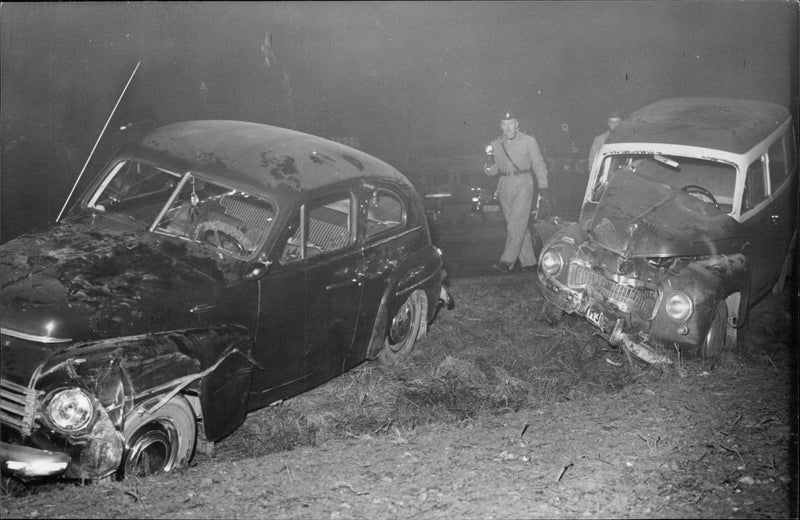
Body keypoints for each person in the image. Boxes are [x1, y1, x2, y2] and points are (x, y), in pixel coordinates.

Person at [484, 111, 550, 273]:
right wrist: (488, 161)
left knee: (515, 224)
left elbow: (538, 164)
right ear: (501, 126)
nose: (508, 128)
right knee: (516, 225)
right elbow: (491, 172)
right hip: (504, 184)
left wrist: (543, 186)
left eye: (511, 124)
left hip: (524, 183)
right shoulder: (496, 144)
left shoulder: (529, 141)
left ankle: (507, 261)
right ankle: (529, 262)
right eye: (505, 124)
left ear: (517, 124)